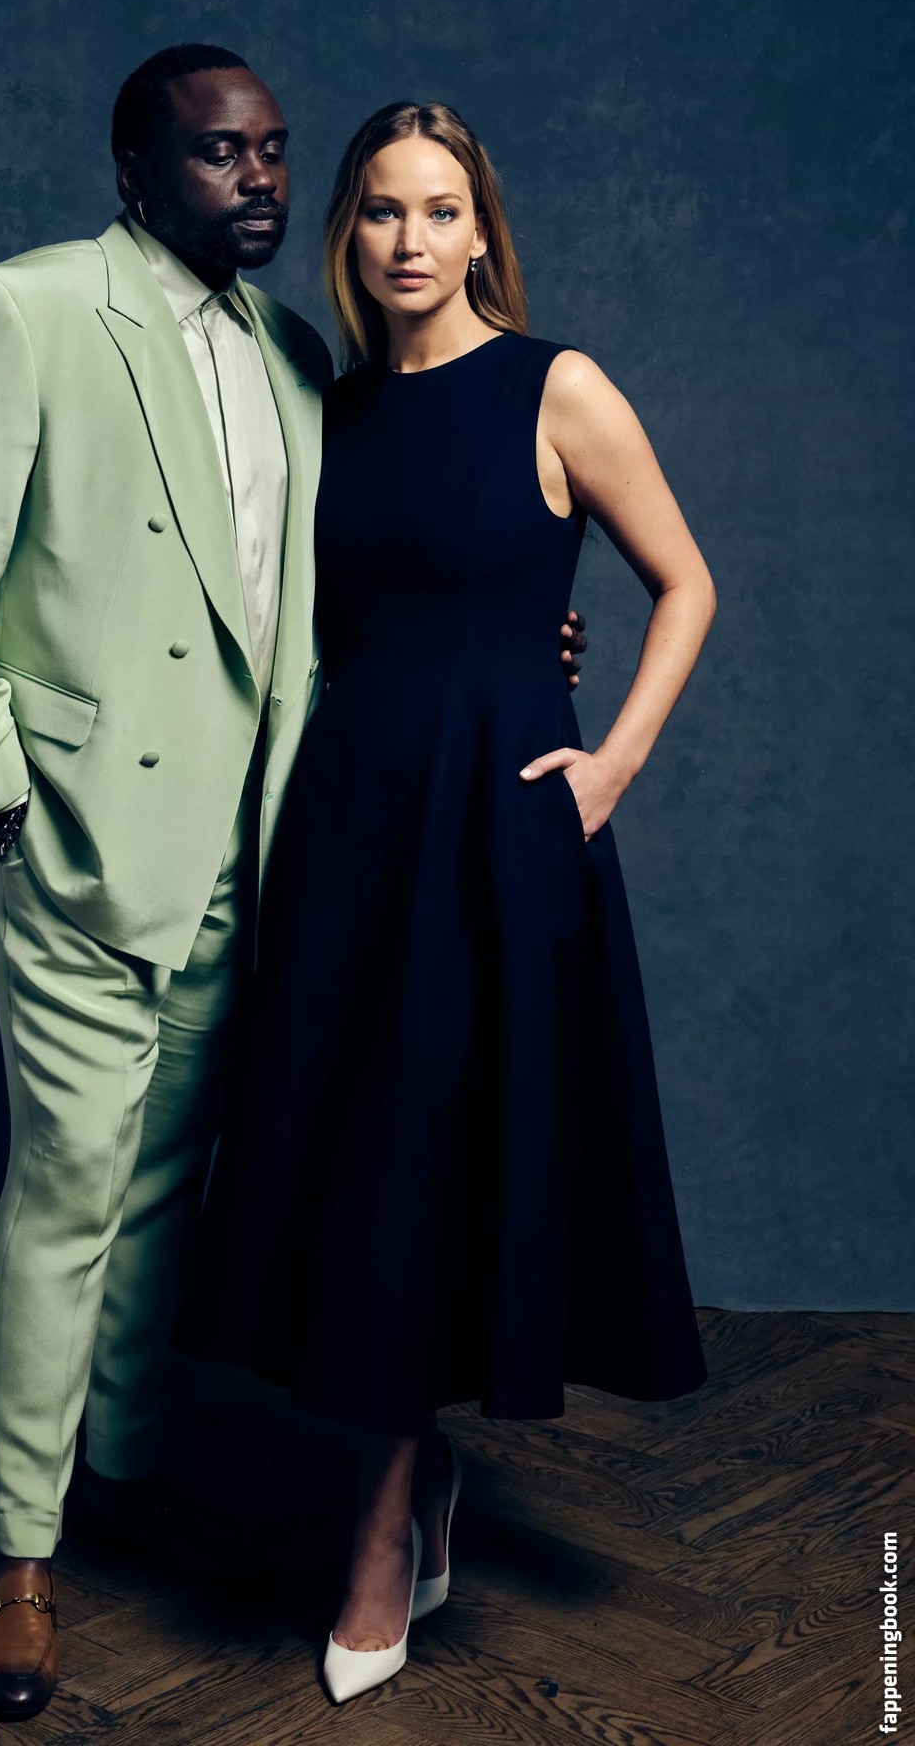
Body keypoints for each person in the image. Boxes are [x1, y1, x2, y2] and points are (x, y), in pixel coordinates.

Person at [0, 46, 597, 1721]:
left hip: (255, 861)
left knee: (163, 1188)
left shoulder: (293, 353)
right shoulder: (25, 307)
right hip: (75, 844)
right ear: (135, 172)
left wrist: (515, 631)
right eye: (217, 154)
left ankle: (118, 1472)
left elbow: (341, 586)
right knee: (69, 1186)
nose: (257, 180)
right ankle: (17, 1562)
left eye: (272, 152)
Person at [175, 99, 715, 1705]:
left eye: (439, 210)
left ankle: (380, 1536)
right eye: (379, 210)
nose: (408, 239)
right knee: (366, 1173)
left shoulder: (559, 387)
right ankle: (410, 1488)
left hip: (496, 832)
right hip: (351, 828)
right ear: (349, 234)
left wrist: (610, 764)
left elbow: (685, 581)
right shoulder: (328, 410)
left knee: (435, 1165)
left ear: (483, 232)